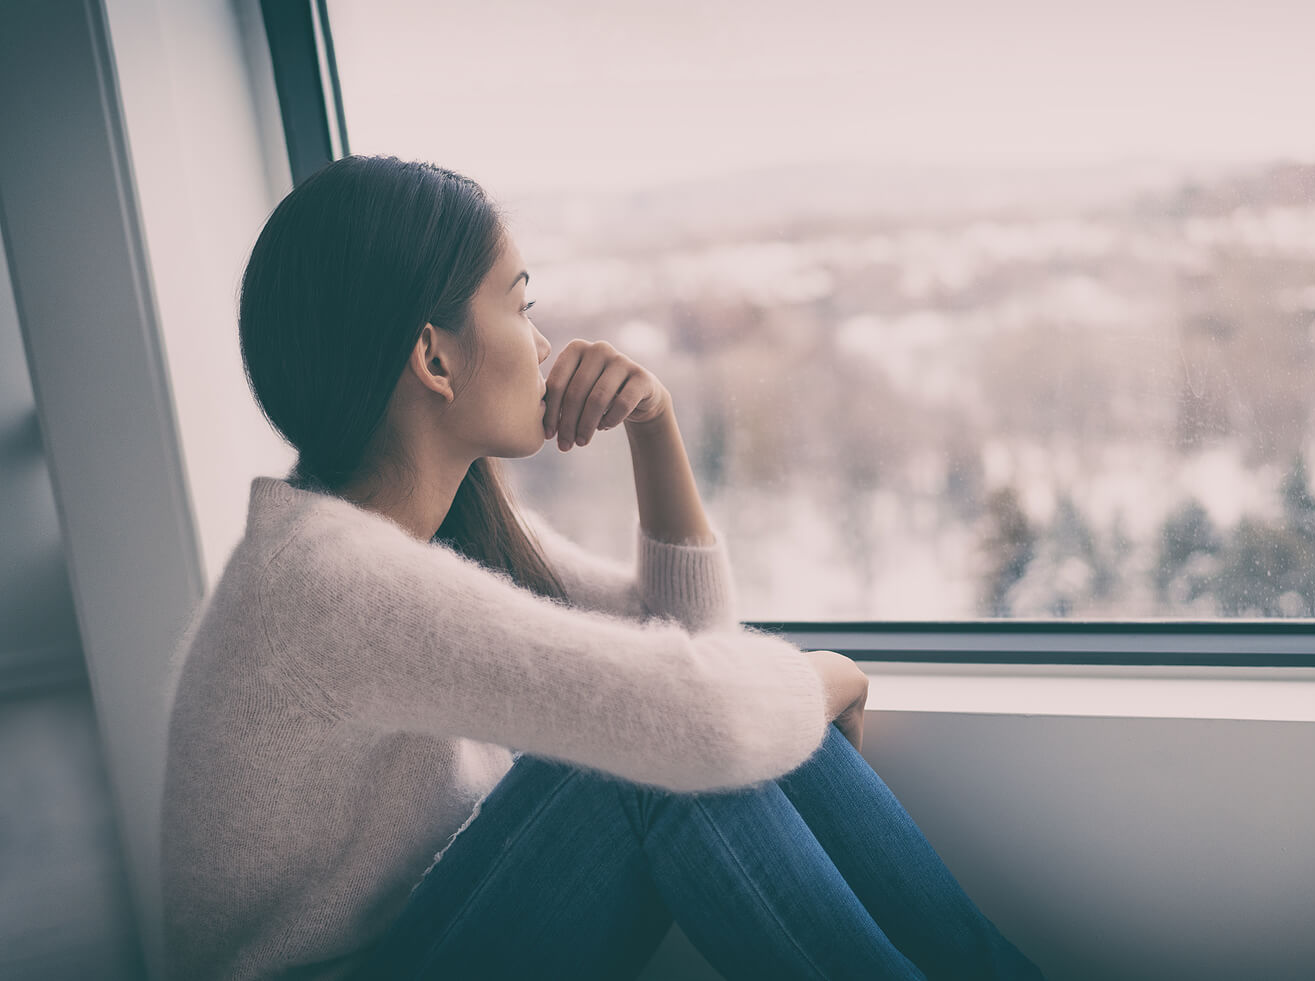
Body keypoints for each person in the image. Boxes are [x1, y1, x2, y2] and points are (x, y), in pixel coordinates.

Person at [159, 153, 1045, 980]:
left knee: (698, 723)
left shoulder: (429, 528)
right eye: (520, 306)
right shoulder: (330, 581)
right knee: (660, 750)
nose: (542, 345)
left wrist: (655, 429)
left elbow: (689, 648)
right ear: (434, 357)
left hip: (439, 931)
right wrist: (829, 676)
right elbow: (699, 719)